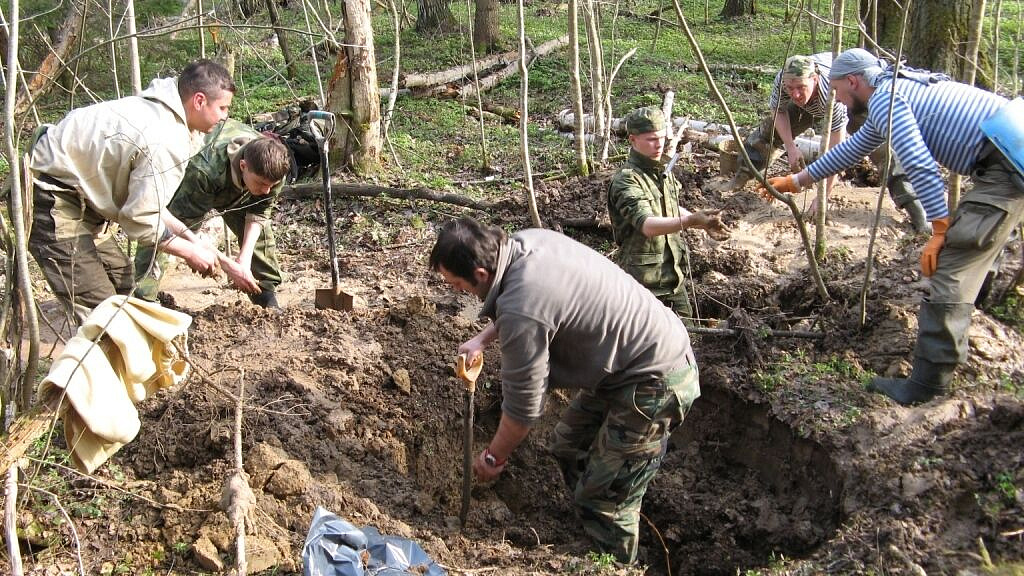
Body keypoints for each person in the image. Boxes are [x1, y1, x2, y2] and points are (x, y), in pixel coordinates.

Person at [760, 47, 1024, 405]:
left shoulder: (886, 100)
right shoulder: (894, 90)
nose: (836, 99)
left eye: (837, 90)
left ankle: (928, 386)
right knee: (976, 245)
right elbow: (853, 149)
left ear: (853, 82)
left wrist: (941, 228)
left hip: (1007, 165)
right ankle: (982, 304)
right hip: (1009, 152)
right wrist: (797, 180)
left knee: (951, 266)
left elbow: (919, 164)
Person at [430, 217, 700, 564]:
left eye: (456, 284)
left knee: (604, 501)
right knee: (568, 447)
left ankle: (615, 559)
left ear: (480, 274)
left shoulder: (522, 307)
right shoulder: (526, 244)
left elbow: (523, 408)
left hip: (656, 379)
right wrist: (483, 338)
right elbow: (537, 305)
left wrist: (494, 458)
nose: (455, 291)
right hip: (628, 363)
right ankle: (591, 516)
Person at [28, 59, 235, 320]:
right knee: (103, 316)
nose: (225, 116)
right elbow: (139, 220)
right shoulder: (164, 138)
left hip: (87, 202)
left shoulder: (168, 111)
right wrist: (189, 252)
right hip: (54, 199)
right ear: (199, 101)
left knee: (126, 292)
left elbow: (153, 208)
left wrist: (195, 243)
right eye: (223, 107)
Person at [723, 52, 929, 233]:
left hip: (853, 98)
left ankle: (917, 211)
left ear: (814, 79)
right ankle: (741, 177)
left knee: (884, 151)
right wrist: (791, 147)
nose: (794, 94)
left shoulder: (833, 94)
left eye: (800, 87)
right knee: (766, 133)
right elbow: (779, 111)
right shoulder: (784, 82)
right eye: (790, 88)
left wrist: (822, 197)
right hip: (811, 103)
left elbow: (837, 152)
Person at [134, 119, 291, 308]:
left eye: (271, 186)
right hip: (196, 178)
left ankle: (265, 296)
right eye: (262, 184)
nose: (267, 190)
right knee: (163, 237)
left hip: (238, 185)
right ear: (243, 166)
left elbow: (259, 213)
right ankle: (143, 299)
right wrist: (226, 264)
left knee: (259, 237)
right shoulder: (204, 171)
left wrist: (243, 259)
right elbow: (181, 229)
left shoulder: (273, 171)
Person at [607, 106, 729, 320]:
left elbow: (669, 207)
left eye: (662, 138)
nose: (658, 144)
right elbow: (647, 225)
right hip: (642, 285)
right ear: (633, 140)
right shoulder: (627, 179)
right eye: (651, 139)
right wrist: (690, 221)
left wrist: (703, 222)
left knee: (689, 339)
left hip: (673, 279)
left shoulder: (661, 171)